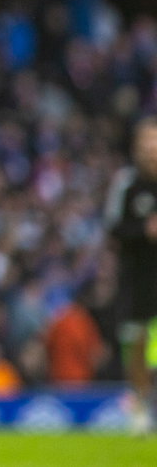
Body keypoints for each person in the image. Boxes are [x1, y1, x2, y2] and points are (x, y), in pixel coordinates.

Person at [104, 117, 157, 434]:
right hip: (136, 280)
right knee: (135, 344)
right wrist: (144, 231)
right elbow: (112, 228)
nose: (152, 149)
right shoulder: (126, 183)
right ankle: (139, 407)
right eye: (147, 143)